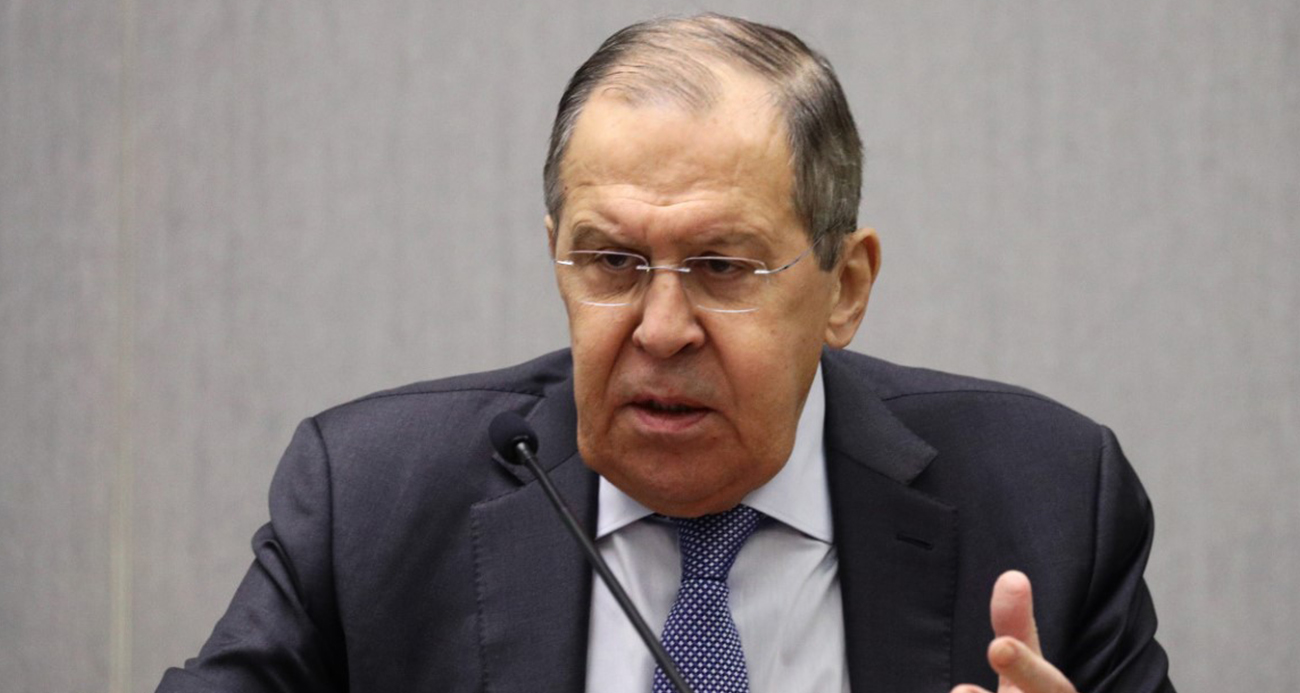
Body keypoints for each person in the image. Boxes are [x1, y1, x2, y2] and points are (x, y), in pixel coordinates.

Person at [157, 13, 1173, 693]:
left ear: (845, 287)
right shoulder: (371, 500)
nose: (659, 327)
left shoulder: (1047, 502)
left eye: (724, 266)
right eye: (611, 261)